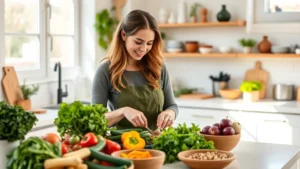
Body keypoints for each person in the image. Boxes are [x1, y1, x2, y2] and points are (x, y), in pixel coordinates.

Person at [91, 9, 178, 130]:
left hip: (157, 144)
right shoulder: (106, 70)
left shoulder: (158, 66)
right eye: (138, 42)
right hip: (122, 145)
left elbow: (172, 106)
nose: (143, 49)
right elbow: (95, 120)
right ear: (123, 35)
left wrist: (169, 114)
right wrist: (123, 112)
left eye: (149, 43)